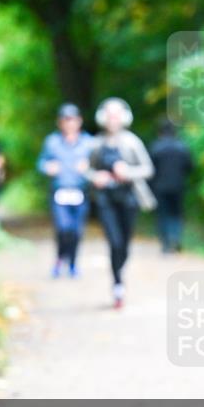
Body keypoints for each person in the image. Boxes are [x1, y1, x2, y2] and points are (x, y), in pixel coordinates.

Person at [88, 97, 155, 308]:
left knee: (124, 245)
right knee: (114, 242)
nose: (112, 119)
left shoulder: (132, 142)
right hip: (106, 200)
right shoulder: (96, 144)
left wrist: (128, 172)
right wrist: (96, 177)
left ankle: (120, 271)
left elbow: (148, 169)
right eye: (109, 115)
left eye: (116, 115)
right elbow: (87, 170)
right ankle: (118, 284)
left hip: (129, 200)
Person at [37, 103, 93, 278]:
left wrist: (89, 167)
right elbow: (41, 163)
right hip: (59, 192)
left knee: (76, 231)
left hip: (80, 191)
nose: (69, 124)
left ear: (79, 121)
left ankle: (73, 263)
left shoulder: (89, 143)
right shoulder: (52, 142)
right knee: (63, 228)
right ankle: (60, 258)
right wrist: (48, 167)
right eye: (65, 120)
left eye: (72, 120)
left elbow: (99, 165)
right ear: (59, 123)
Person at [149, 119, 194, 253]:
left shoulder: (156, 147)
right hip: (178, 186)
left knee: (163, 214)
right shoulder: (182, 147)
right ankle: (176, 238)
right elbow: (190, 167)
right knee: (176, 213)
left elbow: (150, 169)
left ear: (160, 132)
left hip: (160, 187)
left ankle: (166, 243)